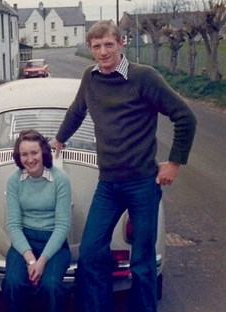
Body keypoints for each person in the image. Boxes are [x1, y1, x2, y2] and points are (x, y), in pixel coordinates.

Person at [51, 20, 197, 312]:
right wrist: (59, 139)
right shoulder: (90, 78)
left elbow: (185, 117)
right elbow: (77, 110)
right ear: (90, 49)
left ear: (121, 43)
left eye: (108, 44)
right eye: (96, 46)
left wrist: (175, 163)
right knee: (91, 251)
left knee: (142, 261)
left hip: (143, 183)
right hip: (108, 184)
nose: (103, 51)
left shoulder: (145, 78)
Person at [2, 129, 72, 312]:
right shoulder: (13, 181)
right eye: (24, 154)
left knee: (50, 287)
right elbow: (14, 225)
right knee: (13, 283)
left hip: (54, 244)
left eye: (34, 152)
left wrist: (41, 262)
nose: (30, 159)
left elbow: (62, 225)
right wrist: (30, 259)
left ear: (43, 152)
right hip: (24, 242)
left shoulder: (60, 179)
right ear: (19, 156)